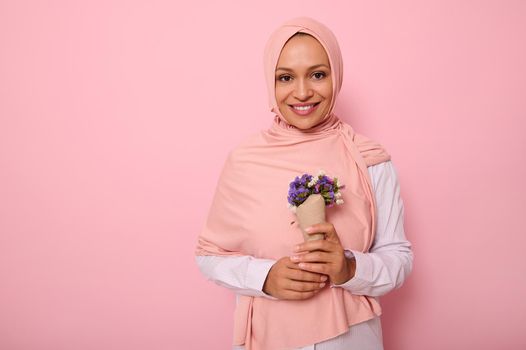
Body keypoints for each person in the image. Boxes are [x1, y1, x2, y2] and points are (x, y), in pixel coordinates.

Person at [195, 17, 413, 350]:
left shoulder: (370, 159)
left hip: (352, 340)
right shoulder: (244, 161)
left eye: (317, 74)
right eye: (285, 77)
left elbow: (398, 256)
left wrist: (350, 267)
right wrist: (265, 278)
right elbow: (209, 255)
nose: (302, 92)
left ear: (335, 76)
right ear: (271, 83)